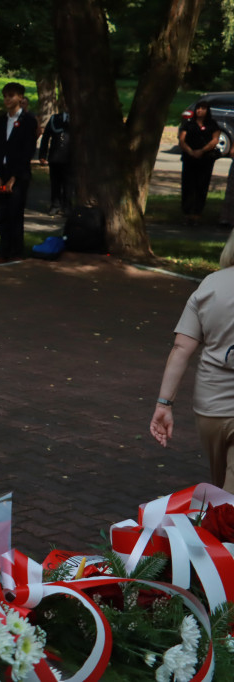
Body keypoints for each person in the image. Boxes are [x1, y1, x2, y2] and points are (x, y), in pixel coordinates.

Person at [150, 229, 234, 493]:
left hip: (211, 408)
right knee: (228, 497)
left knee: (223, 489)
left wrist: (164, 404)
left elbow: (181, 348)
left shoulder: (210, 284)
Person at [0, 82, 39, 261]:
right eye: (5, 96)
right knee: (3, 214)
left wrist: (13, 178)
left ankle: (17, 252)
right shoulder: (1, 121)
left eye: (11, 95)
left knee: (15, 213)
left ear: (20, 97)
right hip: (1, 173)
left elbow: (27, 151)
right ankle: (4, 251)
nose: (7, 99)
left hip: (18, 174)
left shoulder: (28, 121)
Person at [178, 101, 220, 226]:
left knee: (201, 186)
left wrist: (202, 151)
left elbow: (215, 139)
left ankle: (197, 214)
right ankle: (187, 213)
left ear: (207, 110)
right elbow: (182, 139)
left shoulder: (212, 124)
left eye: (203, 108)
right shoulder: (189, 124)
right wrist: (191, 151)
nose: (199, 111)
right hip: (189, 158)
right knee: (188, 185)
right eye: (198, 108)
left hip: (205, 159)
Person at [39, 105, 71, 215]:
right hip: (55, 157)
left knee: (68, 183)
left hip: (70, 158)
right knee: (55, 183)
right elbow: (46, 137)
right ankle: (55, 205)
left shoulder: (77, 118)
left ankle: (67, 206)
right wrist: (42, 154)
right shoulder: (55, 119)